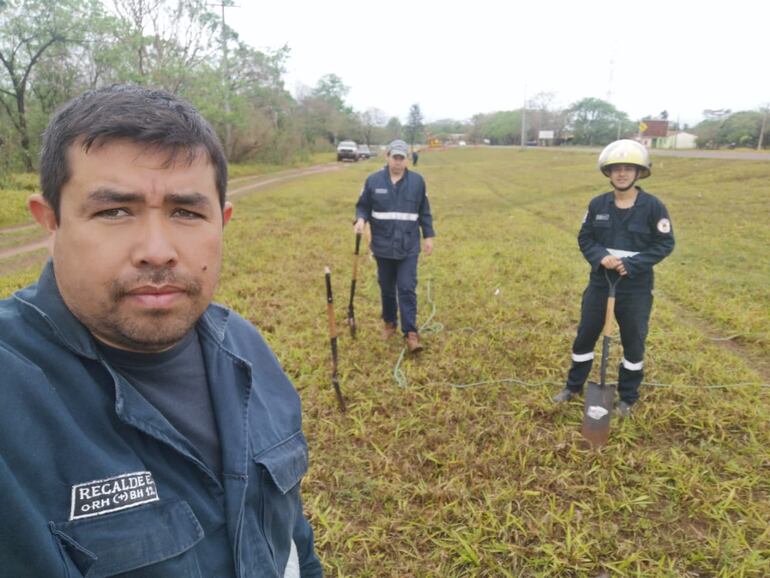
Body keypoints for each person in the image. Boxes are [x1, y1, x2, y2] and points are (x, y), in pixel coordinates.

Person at [0, 85, 323, 577]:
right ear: (51, 222)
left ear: (222, 222)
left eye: (186, 212)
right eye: (114, 211)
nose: (157, 249)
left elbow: (291, 537)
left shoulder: (246, 348)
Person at [554, 139, 675, 417]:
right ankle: (573, 387)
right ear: (608, 173)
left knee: (634, 341)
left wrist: (632, 264)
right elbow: (585, 237)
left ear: (639, 172)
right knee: (585, 337)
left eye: (628, 168)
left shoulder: (654, 207)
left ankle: (627, 398)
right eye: (616, 168)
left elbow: (664, 244)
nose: (622, 173)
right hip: (600, 283)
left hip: (635, 288)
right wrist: (601, 256)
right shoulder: (597, 204)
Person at [354, 139, 435, 353]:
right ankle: (389, 323)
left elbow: (424, 211)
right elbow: (362, 207)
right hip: (382, 244)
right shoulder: (373, 181)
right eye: (395, 157)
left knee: (407, 287)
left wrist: (428, 236)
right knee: (387, 288)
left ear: (407, 159)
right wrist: (360, 220)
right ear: (387, 157)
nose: (398, 162)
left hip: (409, 245)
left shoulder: (418, 182)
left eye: (402, 158)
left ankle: (411, 333)